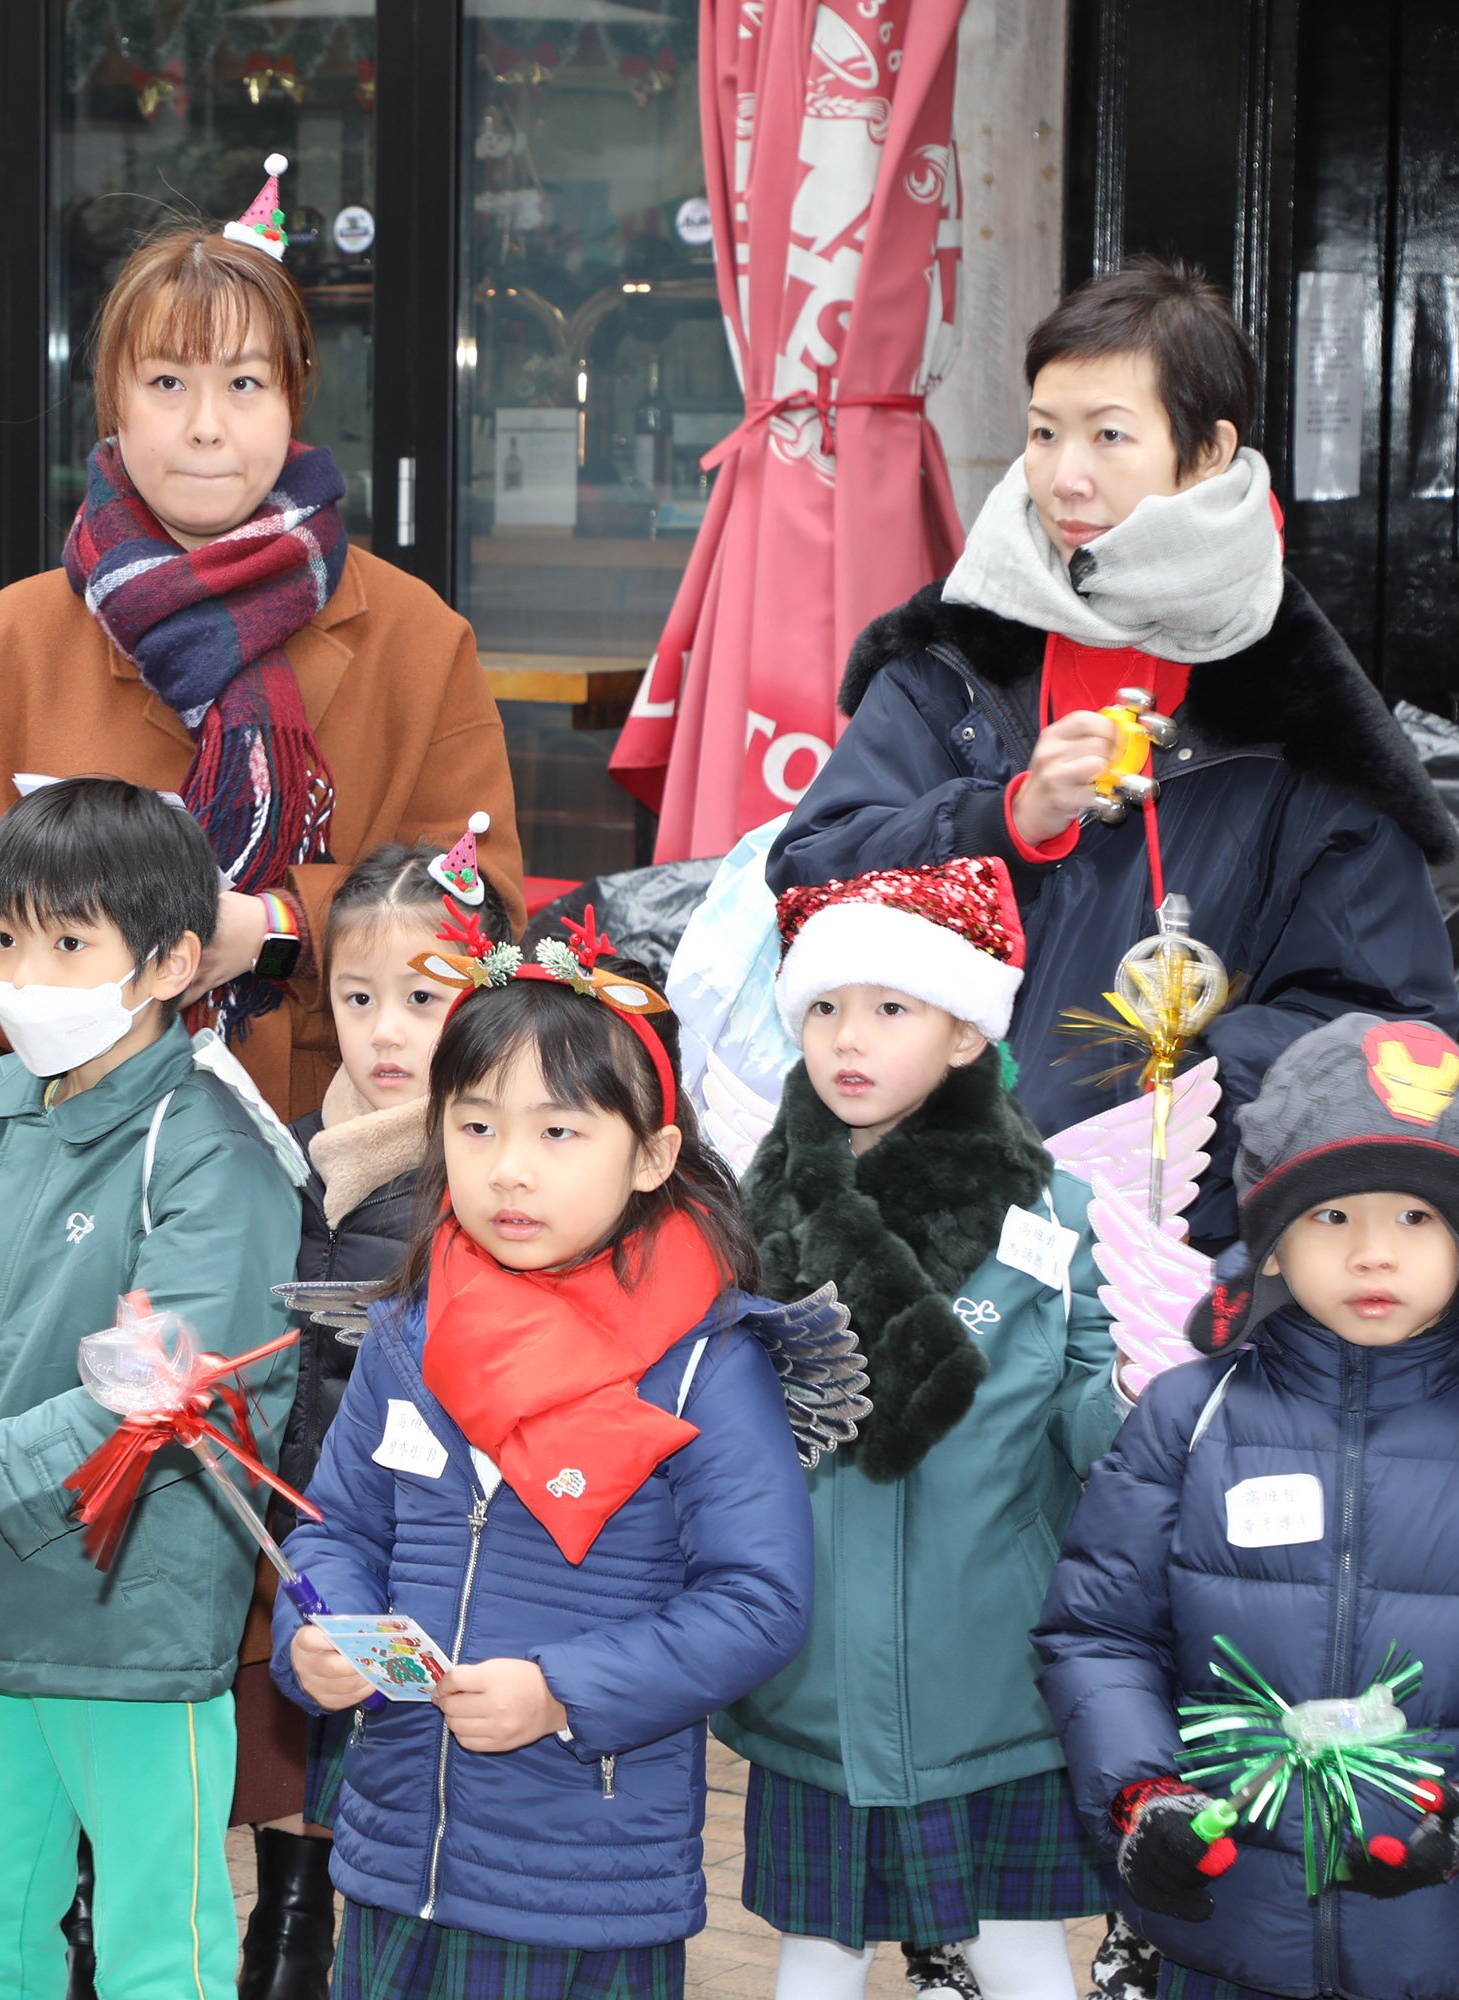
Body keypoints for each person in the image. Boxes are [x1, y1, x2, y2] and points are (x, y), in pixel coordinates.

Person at [769, 258, 1459, 1245]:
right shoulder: (953, 661)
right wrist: (1002, 820)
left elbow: (1390, 1019)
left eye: (1108, 435)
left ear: (1208, 451)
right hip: (917, 1218)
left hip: (1178, 1241)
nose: (1065, 475)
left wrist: (1185, 1093)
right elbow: (809, 875)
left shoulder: (1305, 717)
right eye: (1044, 432)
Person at [0, 162, 522, 1129]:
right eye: (167, 383)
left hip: (323, 1134)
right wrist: (84, 982)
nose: (207, 428)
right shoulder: (8, 640)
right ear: (114, 406)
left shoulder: (416, 636)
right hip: (51, 1131)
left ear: (293, 400)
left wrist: (276, 930)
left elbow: (481, 901)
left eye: (244, 384)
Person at [271, 920, 815, 2000]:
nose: (509, 1169)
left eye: (559, 1131)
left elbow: (760, 1600)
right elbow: (335, 1530)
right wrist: (319, 1635)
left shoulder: (704, 1359)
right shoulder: (410, 1330)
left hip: (583, 1879)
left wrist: (562, 1693)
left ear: (652, 1155)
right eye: (476, 1125)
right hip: (393, 1854)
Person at [0, 777, 305, 2000]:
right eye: (6, 937)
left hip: (131, 1620)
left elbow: (172, 1378)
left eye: (68, 944)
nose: (23, 975)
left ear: (170, 962)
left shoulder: (212, 1146)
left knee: (161, 1942)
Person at [722, 859, 1121, 2000]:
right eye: (824, 1006)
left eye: (892, 1007)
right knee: (817, 1953)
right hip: (812, 1676)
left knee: (1019, 1949)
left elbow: (1096, 1432)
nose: (849, 1038)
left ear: (964, 1032)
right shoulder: (750, 1215)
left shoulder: (1052, 1213)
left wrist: (1142, 1384)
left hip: (988, 1668)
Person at [1035, 1011, 1459, 2000]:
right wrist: (1144, 1797)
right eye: (1331, 1216)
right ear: (1269, 1246)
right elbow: (1099, 1632)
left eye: (1416, 1216)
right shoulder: (1192, 1414)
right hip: (1228, 1932)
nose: (1373, 1254)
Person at [241, 841, 451, 2000]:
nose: (385, 1033)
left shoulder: (477, 1169)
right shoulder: (298, 1146)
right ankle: (287, 1918)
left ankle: (325, 1932)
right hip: (311, 1518)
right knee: (308, 1725)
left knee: (392, 1764)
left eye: (422, 999)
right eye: (358, 999)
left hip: (421, 1533)